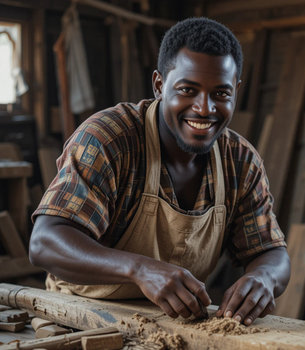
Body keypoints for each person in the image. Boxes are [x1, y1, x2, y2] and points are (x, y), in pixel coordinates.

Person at [29, 17, 290, 326]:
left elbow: (273, 254)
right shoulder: (109, 139)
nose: (205, 108)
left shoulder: (240, 161)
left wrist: (264, 278)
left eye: (221, 94)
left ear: (236, 91)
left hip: (175, 326)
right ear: (159, 85)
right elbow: (45, 242)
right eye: (187, 90)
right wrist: (139, 269)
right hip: (79, 319)